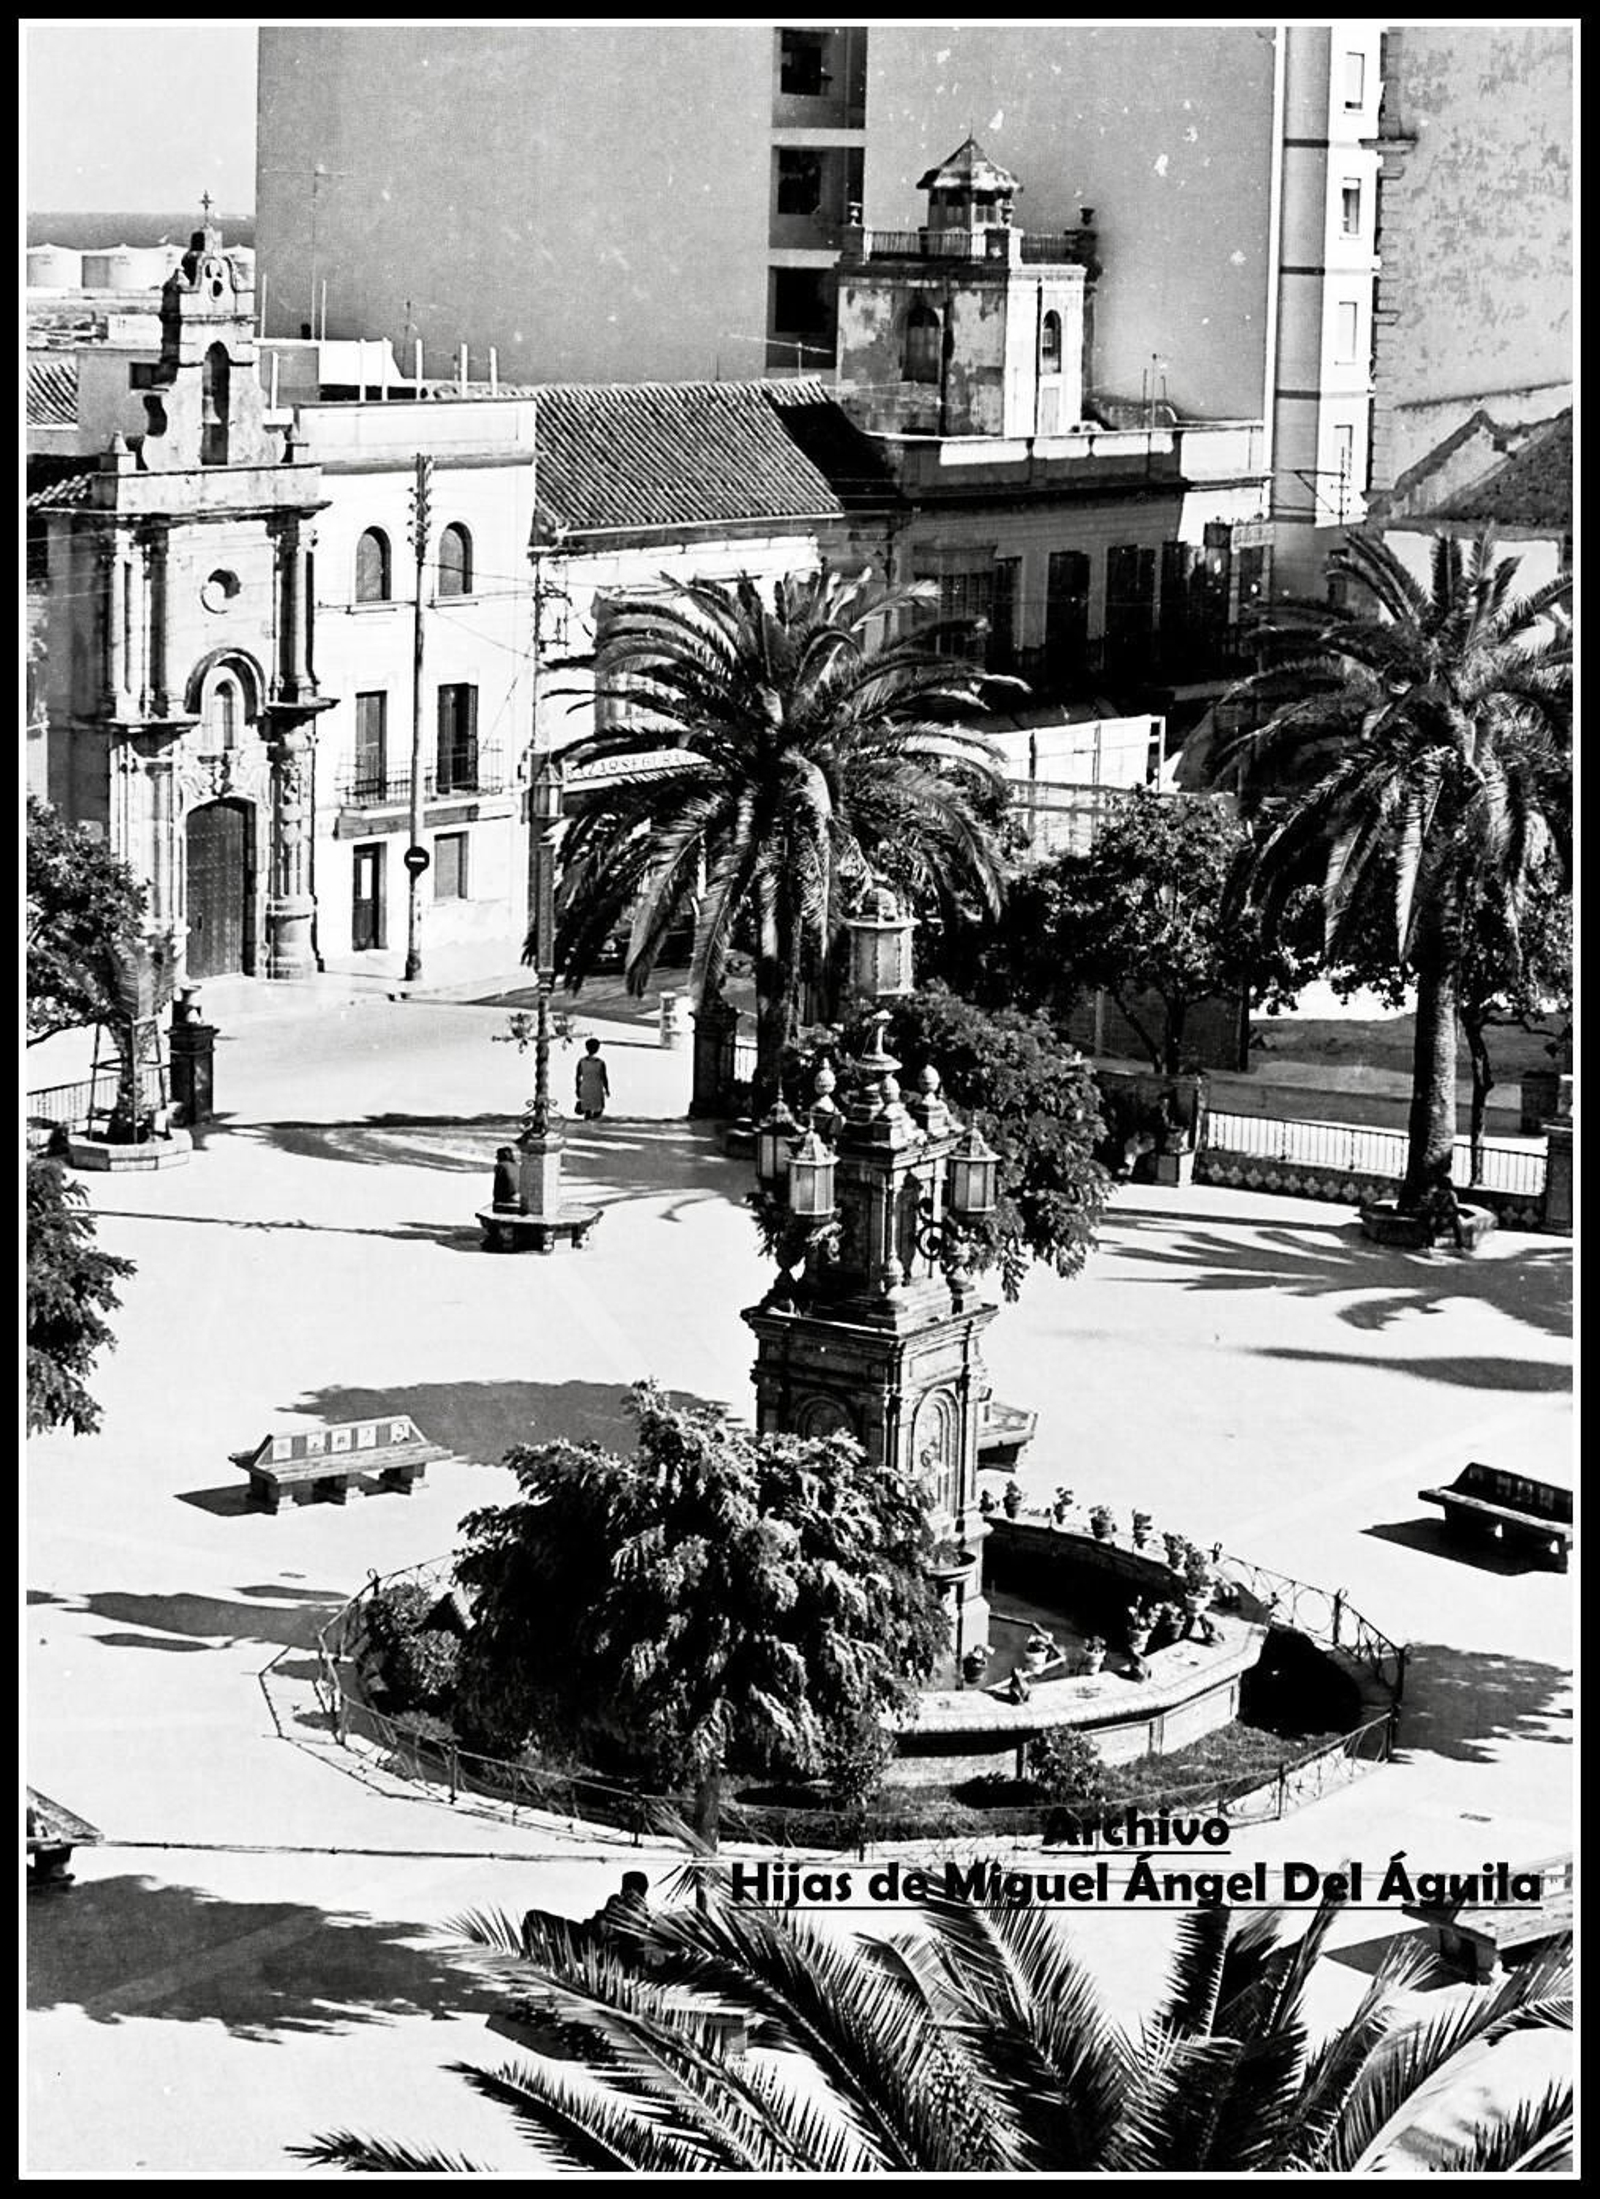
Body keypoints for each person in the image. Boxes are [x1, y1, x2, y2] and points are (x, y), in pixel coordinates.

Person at [575, 1037, 610, 1120]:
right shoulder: (600, 1062)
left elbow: (577, 1076)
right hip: (597, 1089)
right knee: (598, 1110)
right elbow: (604, 1077)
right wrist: (607, 1089)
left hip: (585, 1087)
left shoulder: (582, 1061)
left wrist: (577, 1088)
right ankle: (593, 1129)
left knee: (587, 1110)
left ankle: (587, 1129)